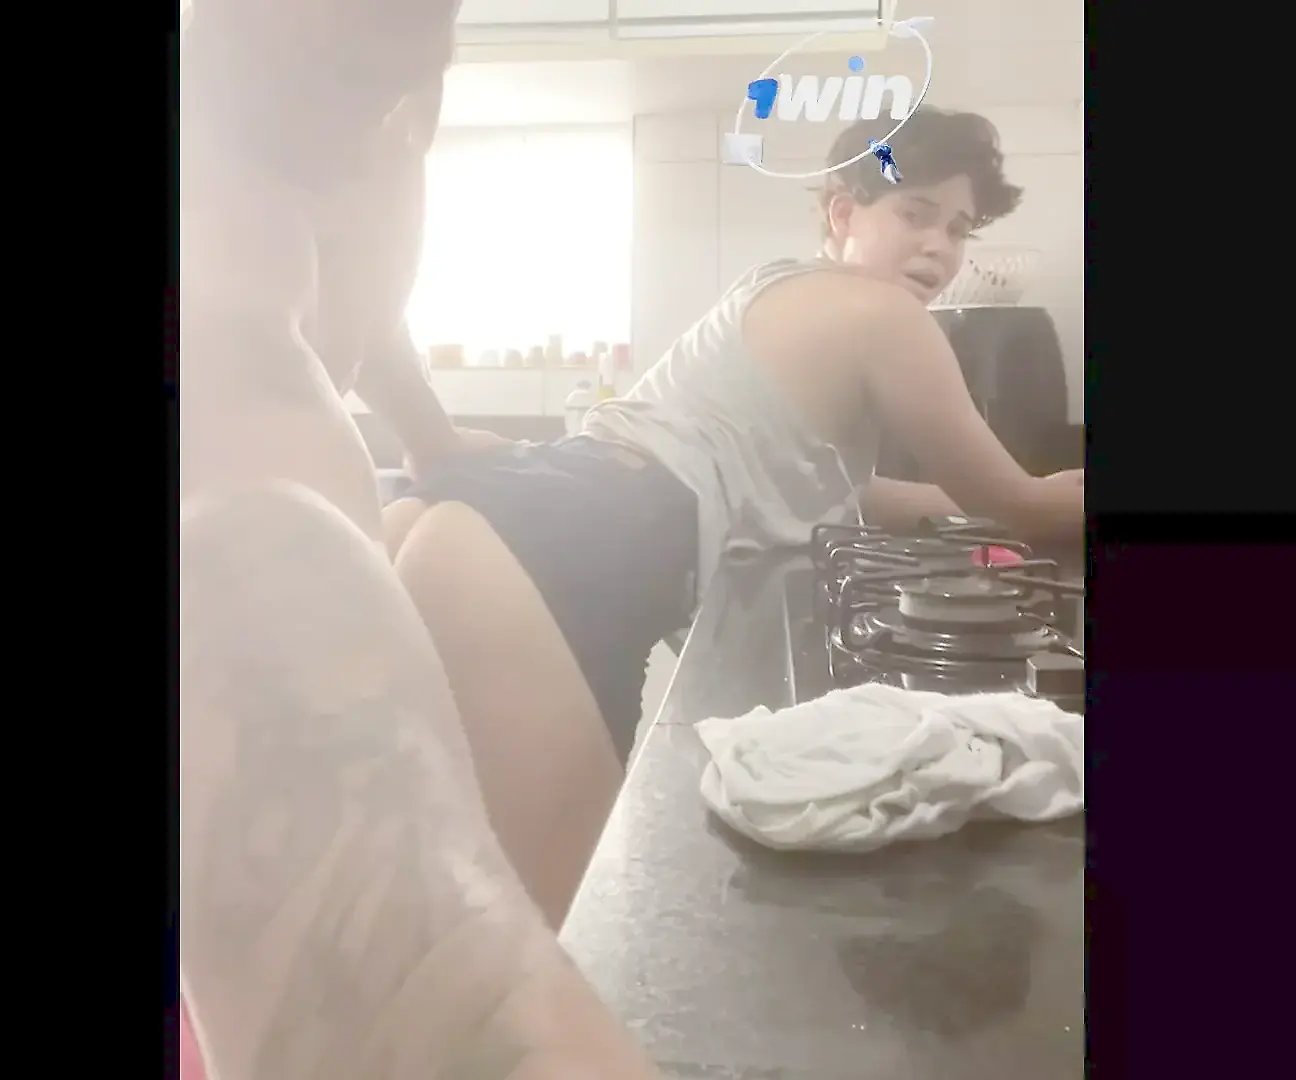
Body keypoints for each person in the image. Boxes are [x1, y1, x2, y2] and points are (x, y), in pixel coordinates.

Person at [383, 106, 1086, 885]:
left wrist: (960, 504)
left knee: (424, 896)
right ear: (843, 212)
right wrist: (1053, 495)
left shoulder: (777, 289)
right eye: (914, 213)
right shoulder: (884, 315)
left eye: (957, 229)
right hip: (559, 547)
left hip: (505, 513)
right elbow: (1021, 504)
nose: (939, 247)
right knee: (550, 923)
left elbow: (845, 486)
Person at [179, 2, 661, 1077]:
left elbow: (347, 312)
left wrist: (427, 435)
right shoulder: (259, 508)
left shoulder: (271, 343)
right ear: (393, 126)